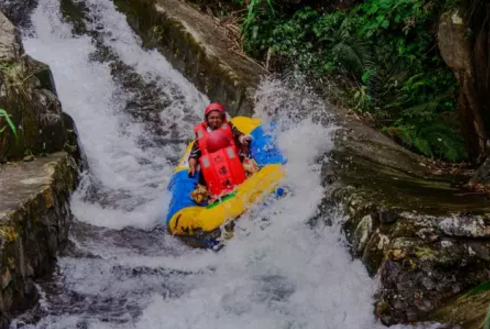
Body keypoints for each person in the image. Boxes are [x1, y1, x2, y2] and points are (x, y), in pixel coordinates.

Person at [188, 103, 258, 203]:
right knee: (203, 170)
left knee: (247, 165)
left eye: (218, 118)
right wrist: (192, 166)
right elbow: (194, 153)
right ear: (207, 119)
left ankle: (245, 179)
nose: (215, 120)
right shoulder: (201, 134)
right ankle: (206, 192)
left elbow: (238, 134)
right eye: (212, 118)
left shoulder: (228, 127)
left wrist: (243, 139)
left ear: (223, 118)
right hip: (212, 163)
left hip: (231, 158)